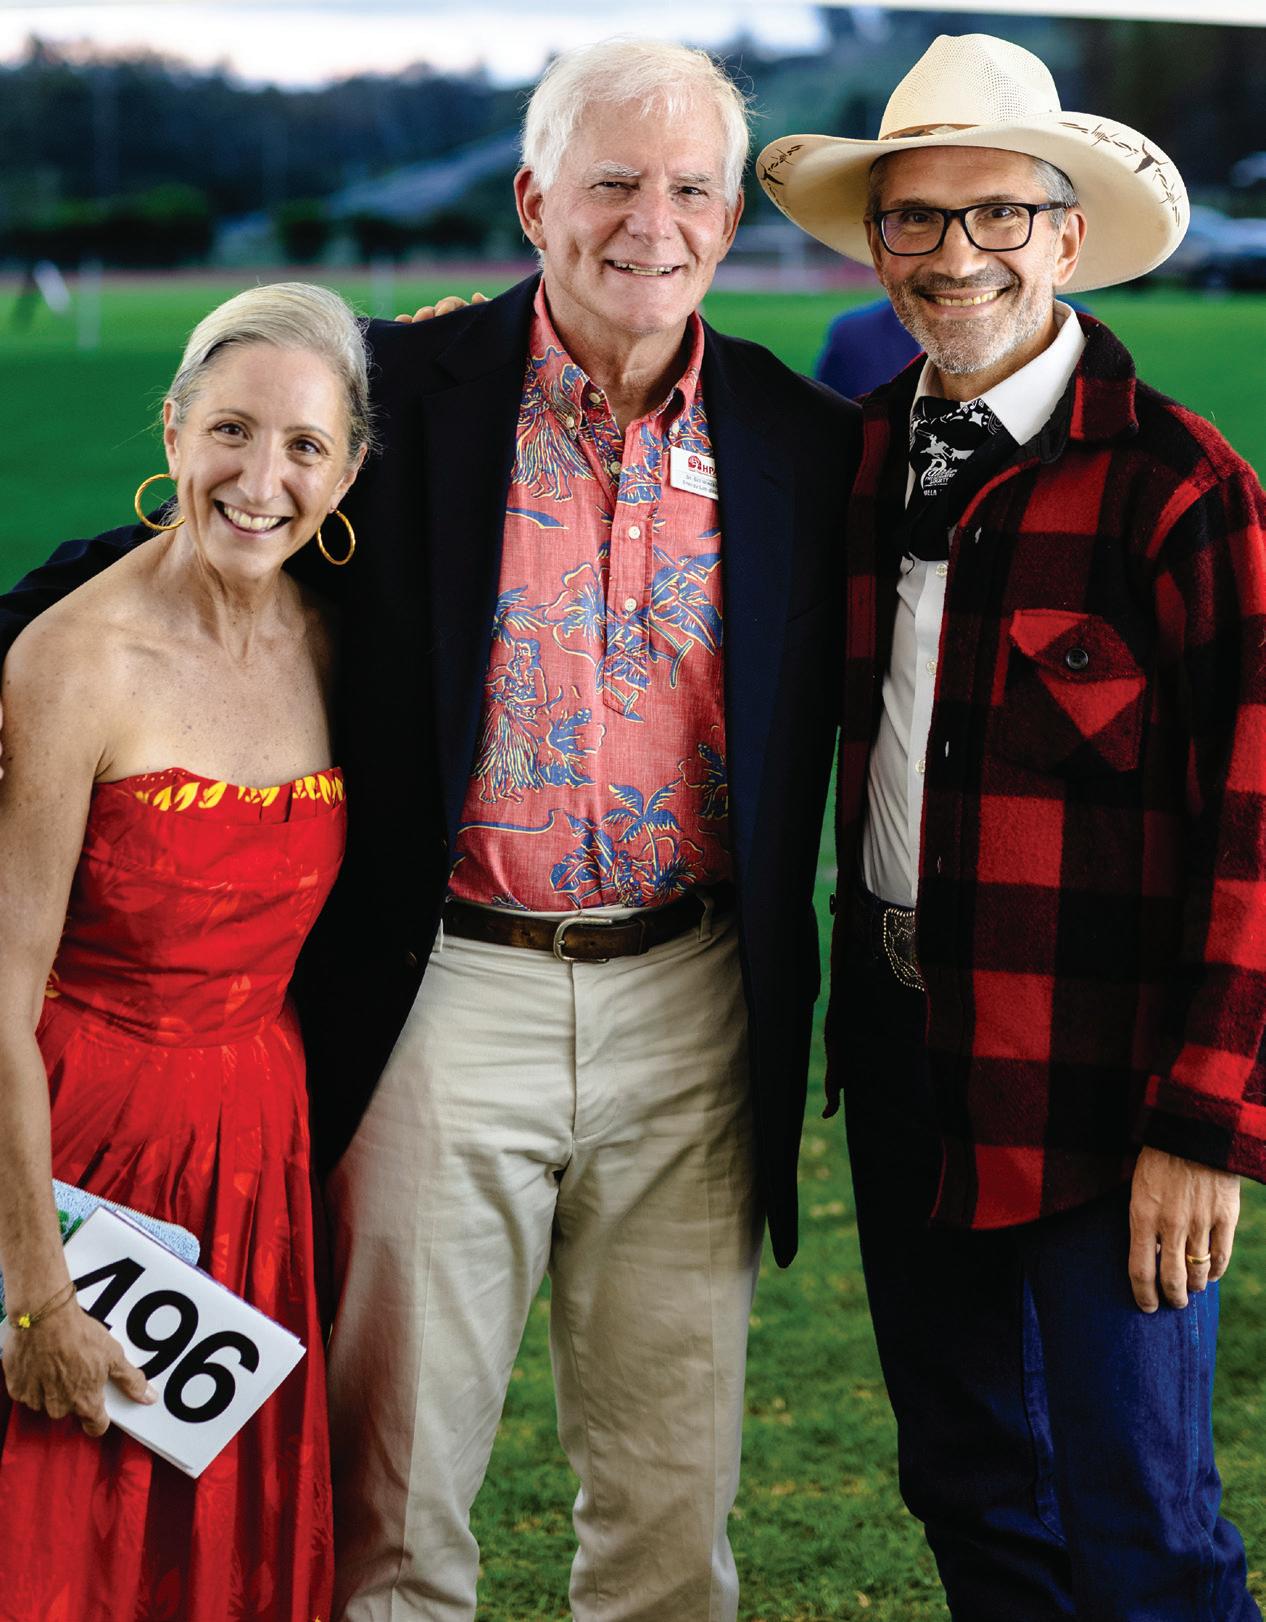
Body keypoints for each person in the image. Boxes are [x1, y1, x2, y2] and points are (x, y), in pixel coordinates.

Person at [0, 39, 859, 1622]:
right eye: (610, 182)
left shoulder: (804, 439)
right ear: (534, 200)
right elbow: (201, 528)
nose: (649, 223)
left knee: (672, 1514)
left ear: (729, 221)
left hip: (694, 1000)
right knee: (393, 1503)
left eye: (688, 190)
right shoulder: (403, 394)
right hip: (448, 985)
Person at [756, 32, 1266, 1620]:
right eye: (914, 217)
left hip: (1102, 1074)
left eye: (996, 213)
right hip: (904, 1049)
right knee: (969, 1482)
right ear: (874, 243)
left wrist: (1204, 1124)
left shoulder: (1178, 488)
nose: (953, 252)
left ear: (1064, 234)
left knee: (1142, 1520)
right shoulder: (849, 461)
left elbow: (1257, 820)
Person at [0, 280, 369, 1621]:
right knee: (59, 1543)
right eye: (230, 431)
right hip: (77, 1146)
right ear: (172, 431)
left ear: (350, 469)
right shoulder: (72, 662)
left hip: (259, 1147)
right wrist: (37, 1290)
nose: (262, 481)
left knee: (217, 1557)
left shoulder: (337, 641)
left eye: (305, 445)